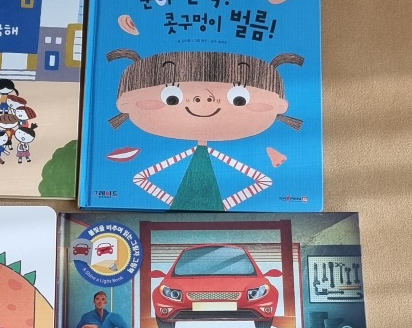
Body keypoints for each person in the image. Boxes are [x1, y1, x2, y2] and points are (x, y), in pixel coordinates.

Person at [106, 48, 304, 210]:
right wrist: (172, 200)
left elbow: (263, 181)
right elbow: (140, 178)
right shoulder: (190, 157)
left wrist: (226, 204)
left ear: (280, 106)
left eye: (239, 99)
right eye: (171, 98)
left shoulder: (217, 158)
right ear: (125, 103)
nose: (203, 101)